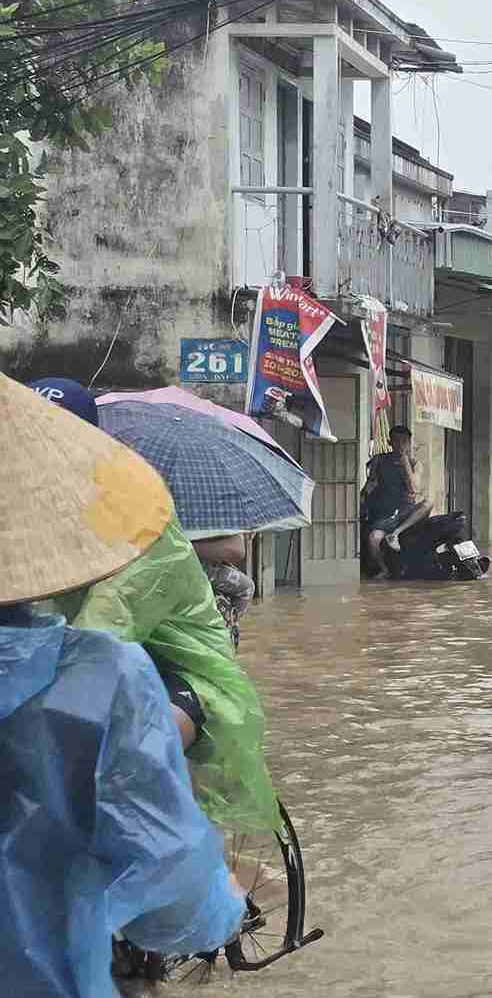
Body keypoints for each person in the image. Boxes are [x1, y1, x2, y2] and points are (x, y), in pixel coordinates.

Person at [2, 371, 246, 998]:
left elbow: (108, 622)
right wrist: (216, 905)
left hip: (189, 678)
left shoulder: (144, 531)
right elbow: (178, 894)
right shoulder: (99, 677)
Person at [26, 379, 280, 836]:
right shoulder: (32, 515)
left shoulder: (141, 522)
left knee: (119, 764)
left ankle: (209, 892)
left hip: (182, 674)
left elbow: (101, 632)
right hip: (97, 660)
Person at [362, 425, 433, 574]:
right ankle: (383, 570)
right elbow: (370, 484)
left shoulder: (415, 464)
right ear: (390, 442)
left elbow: (414, 488)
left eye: (404, 441)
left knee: (428, 503)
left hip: (406, 512)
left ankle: (395, 534)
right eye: (397, 441)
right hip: (386, 513)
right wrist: (362, 500)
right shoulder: (379, 460)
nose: (400, 445)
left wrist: (405, 462)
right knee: (373, 539)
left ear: (409, 443)